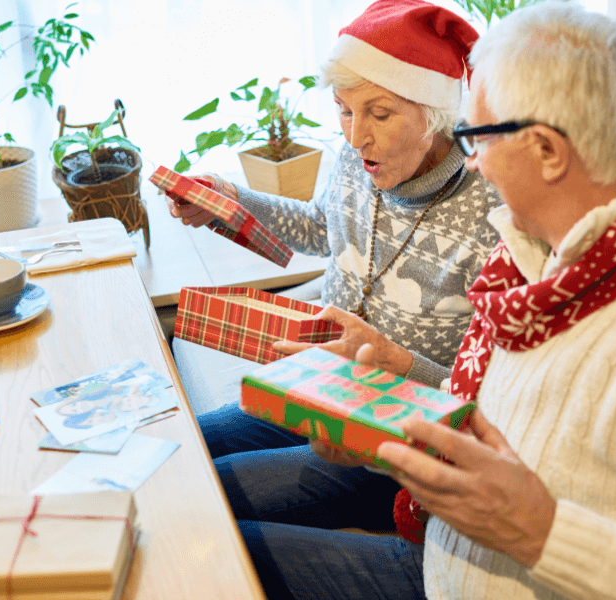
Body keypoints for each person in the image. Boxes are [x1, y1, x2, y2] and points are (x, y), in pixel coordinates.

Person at [238, 4, 616, 600]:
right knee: (209, 526)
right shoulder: (539, 265)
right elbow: (492, 444)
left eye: (475, 137)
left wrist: (540, 532)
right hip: (441, 555)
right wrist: (379, 436)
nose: (471, 162)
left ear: (548, 152)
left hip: (469, 574)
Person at [165, 0, 502, 459]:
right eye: (344, 110)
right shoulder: (359, 157)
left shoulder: (493, 210)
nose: (354, 136)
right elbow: (321, 228)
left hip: (402, 431)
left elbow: (486, 394)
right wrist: (230, 198)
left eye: (379, 114)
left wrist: (395, 362)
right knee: (180, 448)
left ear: (435, 112)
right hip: (325, 383)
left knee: (212, 487)